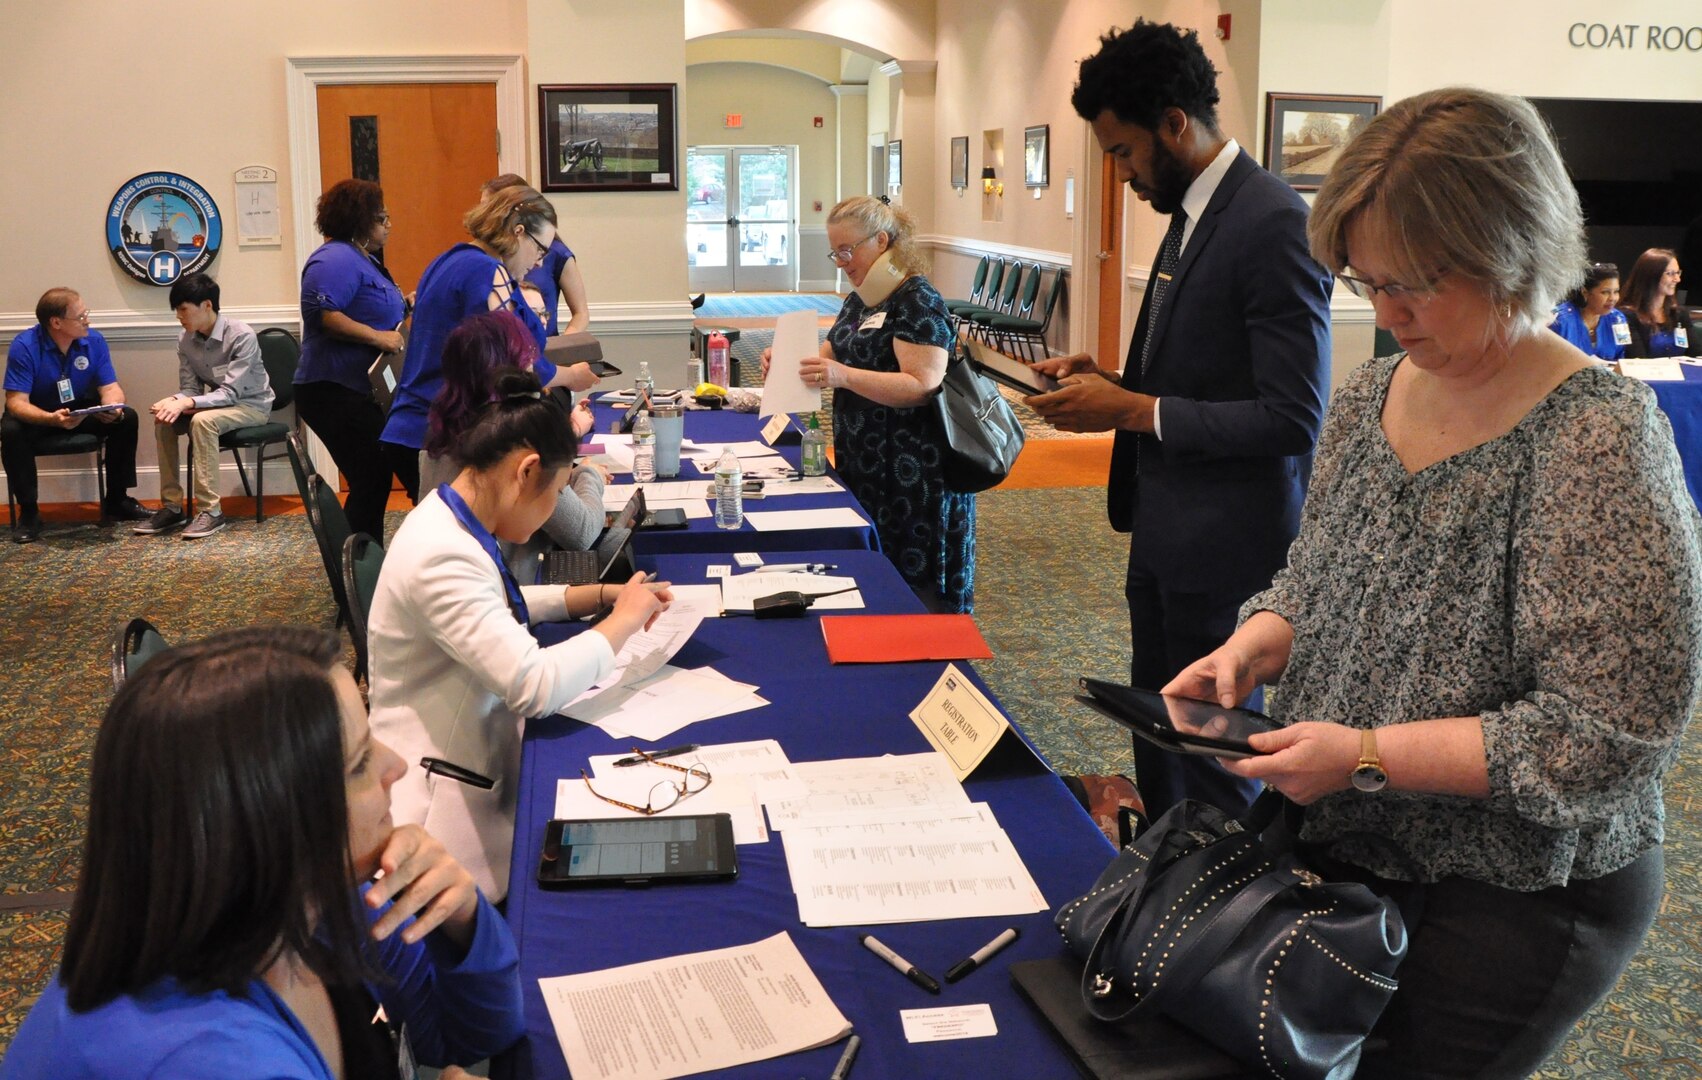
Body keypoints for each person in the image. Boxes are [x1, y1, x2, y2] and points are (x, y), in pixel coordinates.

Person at [1165, 87, 1702, 1078]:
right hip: (1348, 831)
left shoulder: (1596, 440)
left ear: (1513, 248)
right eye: (1369, 279)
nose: (1390, 310)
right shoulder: (1373, 393)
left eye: (1418, 282)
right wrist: (1254, 642)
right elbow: (1318, 576)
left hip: (1517, 886)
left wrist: (1365, 753)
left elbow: (1609, 732)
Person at [1025, 20, 1331, 820]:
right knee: (1159, 737)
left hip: (1229, 547)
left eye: (1123, 151)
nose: (1119, 173)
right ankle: (1162, 888)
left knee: (1216, 760)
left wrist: (1133, 408)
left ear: (1174, 124)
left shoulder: (1270, 222)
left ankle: (1217, 922)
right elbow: (1202, 375)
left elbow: (1293, 416)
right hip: (1165, 532)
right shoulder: (1194, 214)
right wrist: (1112, 382)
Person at [0, 626, 524, 1078]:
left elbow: (466, 1039)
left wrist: (461, 920)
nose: (396, 766)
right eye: (361, 761)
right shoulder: (202, 1058)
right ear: (275, 818)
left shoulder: (307, 894)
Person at [368, 367, 670, 899]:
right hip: (437, 803)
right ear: (527, 472)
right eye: (557, 490)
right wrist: (623, 623)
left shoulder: (448, 516)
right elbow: (535, 686)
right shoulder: (440, 554)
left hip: (461, 746)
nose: (555, 506)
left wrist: (595, 597)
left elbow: (495, 603)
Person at [762, 195, 975, 611]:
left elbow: (922, 384)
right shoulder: (863, 297)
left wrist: (843, 378)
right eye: (835, 252)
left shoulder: (916, 299)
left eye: (847, 250)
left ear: (881, 241)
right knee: (875, 575)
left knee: (916, 587)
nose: (841, 262)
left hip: (914, 472)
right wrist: (786, 362)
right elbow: (832, 352)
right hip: (867, 461)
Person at [379, 184, 598, 502]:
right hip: (440, 433)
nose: (539, 263)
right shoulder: (487, 271)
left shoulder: (449, 260)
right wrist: (572, 376)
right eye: (540, 249)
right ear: (519, 232)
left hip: (415, 425)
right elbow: (516, 365)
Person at [420, 311, 603, 581]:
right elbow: (582, 532)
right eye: (529, 361)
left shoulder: (439, 429)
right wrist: (591, 475)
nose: (535, 370)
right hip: (519, 583)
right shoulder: (515, 445)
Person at [295, 178, 407, 542]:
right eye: (381, 217)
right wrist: (378, 337)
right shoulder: (334, 257)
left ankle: (365, 565)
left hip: (354, 389)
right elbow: (323, 314)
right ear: (359, 220)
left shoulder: (362, 259)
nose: (388, 224)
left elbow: (366, 306)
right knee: (370, 477)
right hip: (332, 390)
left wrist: (404, 304)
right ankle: (360, 572)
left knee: (372, 478)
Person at [2, 288, 150, 542]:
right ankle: (29, 512)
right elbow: (16, 402)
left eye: (86, 314)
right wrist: (50, 419)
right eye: (80, 317)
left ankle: (117, 499)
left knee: (127, 418)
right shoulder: (25, 346)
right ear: (56, 322)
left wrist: (112, 407)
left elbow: (110, 387)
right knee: (10, 430)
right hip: (39, 413)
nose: (87, 321)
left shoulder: (93, 341)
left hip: (77, 409)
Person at [135, 273, 275, 541]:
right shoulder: (185, 339)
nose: (179, 316)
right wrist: (175, 401)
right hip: (216, 406)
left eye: (184, 309)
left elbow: (232, 392)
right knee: (165, 419)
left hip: (252, 406)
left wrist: (188, 402)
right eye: (177, 310)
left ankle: (211, 511)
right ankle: (172, 507)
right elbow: (191, 390)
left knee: (202, 421)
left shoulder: (241, 336)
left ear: (207, 305)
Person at [484, 172, 591, 337]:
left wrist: (563, 345)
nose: (485, 216)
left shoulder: (558, 254)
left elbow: (581, 313)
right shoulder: (483, 260)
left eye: (491, 208)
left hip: (545, 352)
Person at [1619, 247, 1699, 358]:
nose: (1677, 279)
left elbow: (1697, 354)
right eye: (1670, 274)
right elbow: (1638, 359)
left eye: (1678, 273)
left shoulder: (1679, 314)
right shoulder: (1628, 316)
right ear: (1652, 275)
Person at [1547, 262, 1628, 361]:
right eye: (1605, 292)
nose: (1612, 298)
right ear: (1585, 292)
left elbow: (1622, 358)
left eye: (1616, 292)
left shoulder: (1618, 319)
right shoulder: (1558, 320)